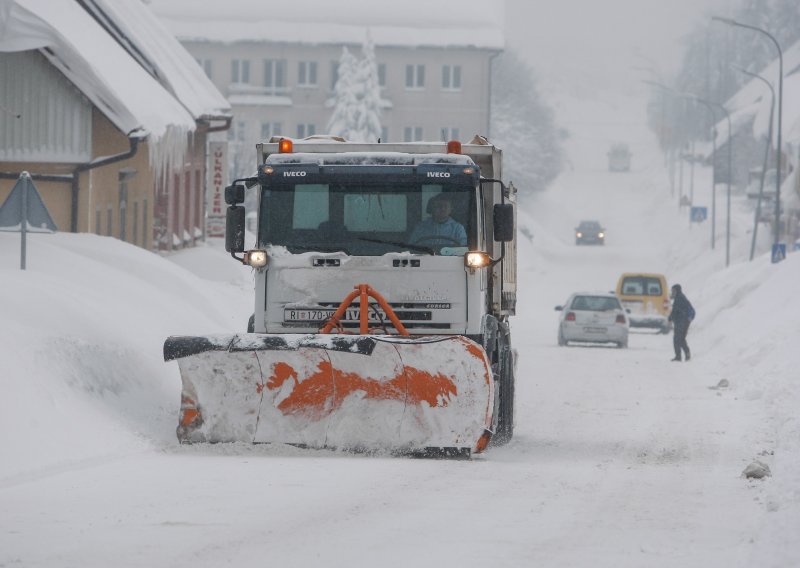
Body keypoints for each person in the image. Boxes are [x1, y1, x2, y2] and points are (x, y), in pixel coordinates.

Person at [668, 283, 695, 362]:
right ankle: (686, 354)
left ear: (677, 291)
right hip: (684, 321)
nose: (672, 293)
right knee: (681, 338)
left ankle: (678, 356)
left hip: (682, 321)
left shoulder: (679, 298)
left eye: (673, 291)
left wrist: (670, 318)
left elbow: (675, 311)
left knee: (677, 338)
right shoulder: (680, 297)